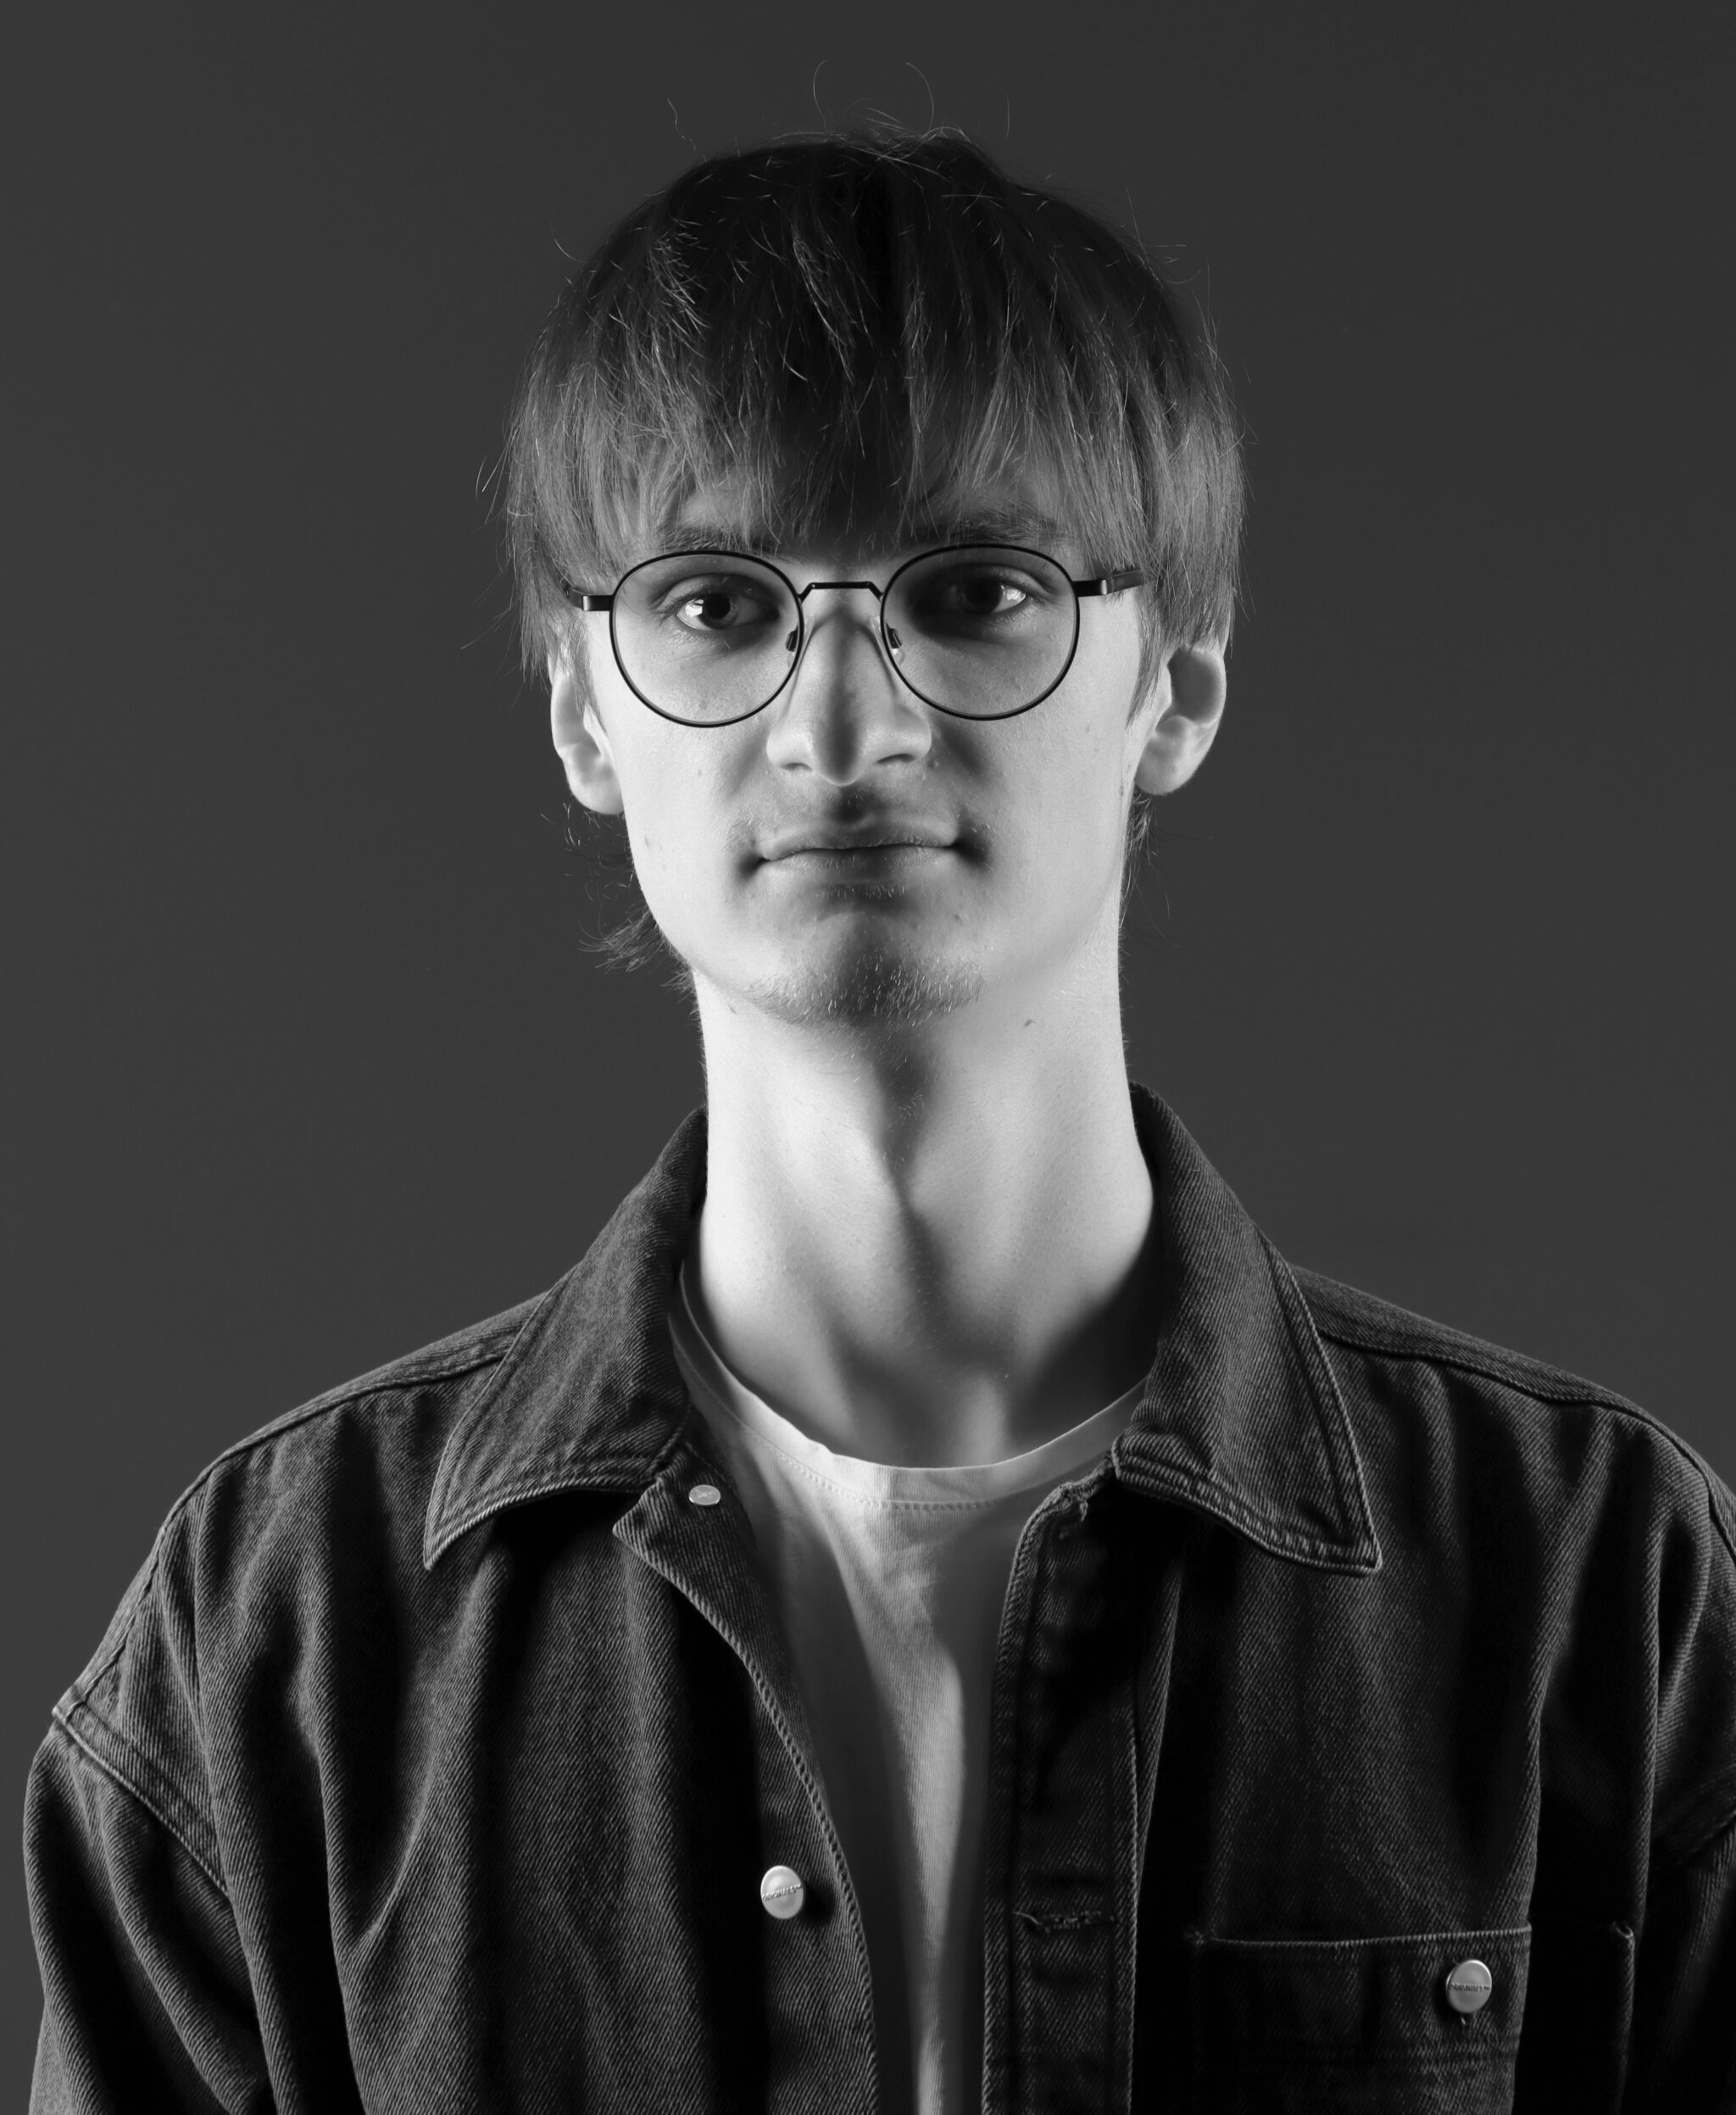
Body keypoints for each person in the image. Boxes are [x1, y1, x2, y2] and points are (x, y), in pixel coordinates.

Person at [24, 126, 1735, 2114]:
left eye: (975, 588)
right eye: (715, 601)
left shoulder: (1598, 1588)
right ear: (583, 709)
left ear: (1175, 687)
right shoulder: (280, 1635)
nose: (843, 723)